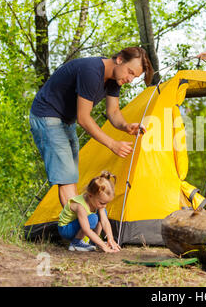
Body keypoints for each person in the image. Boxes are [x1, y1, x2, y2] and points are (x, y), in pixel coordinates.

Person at [30, 47, 154, 207]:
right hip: (46, 116)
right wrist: (113, 144)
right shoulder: (91, 72)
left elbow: (113, 111)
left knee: (71, 176)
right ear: (119, 59)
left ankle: (79, 225)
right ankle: (78, 227)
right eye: (130, 72)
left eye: (134, 76)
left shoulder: (115, 79)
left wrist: (126, 126)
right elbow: (83, 118)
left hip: (66, 121)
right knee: (66, 178)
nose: (130, 79)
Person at [58, 171, 121, 252]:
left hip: (78, 226)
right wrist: (103, 246)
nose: (104, 205)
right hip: (66, 229)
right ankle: (75, 243)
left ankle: (93, 243)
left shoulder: (96, 202)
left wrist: (111, 239)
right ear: (90, 195)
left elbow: (105, 222)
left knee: (103, 212)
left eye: (106, 203)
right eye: (102, 203)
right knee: (93, 218)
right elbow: (86, 230)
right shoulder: (80, 206)